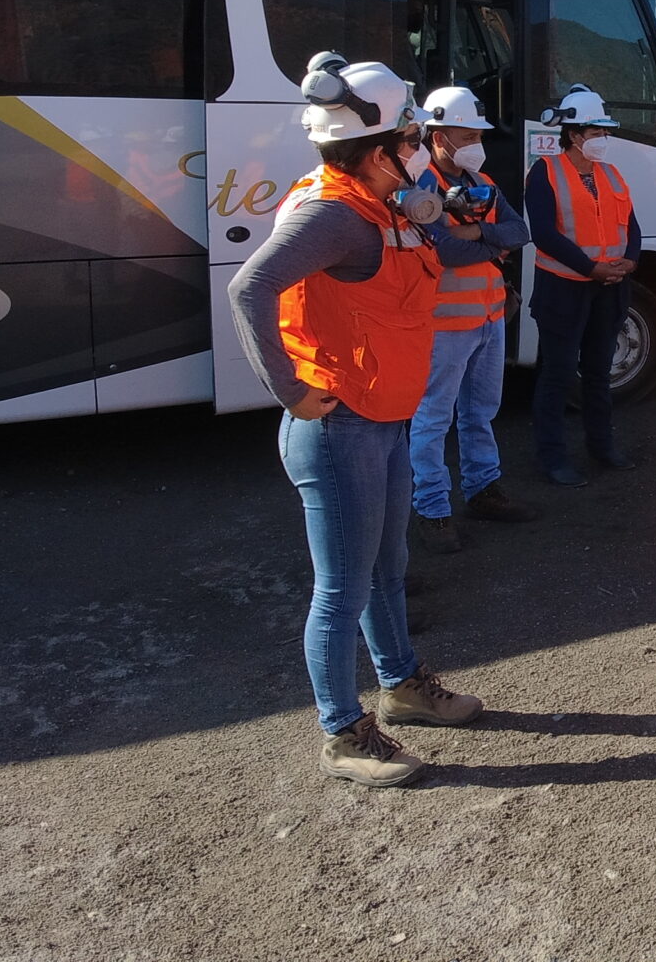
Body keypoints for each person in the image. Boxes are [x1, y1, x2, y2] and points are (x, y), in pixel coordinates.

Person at [225, 53, 485, 789]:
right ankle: (342, 734)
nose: (418, 149)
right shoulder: (334, 212)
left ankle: (402, 687)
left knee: (387, 570)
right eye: (408, 141)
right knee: (342, 589)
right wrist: (291, 393)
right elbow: (250, 290)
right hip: (339, 430)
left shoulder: (376, 203)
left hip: (381, 420)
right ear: (377, 153)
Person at [406, 85, 538, 552]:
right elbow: (446, 252)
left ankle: (483, 490)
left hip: (487, 318)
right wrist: (486, 241)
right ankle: (433, 510)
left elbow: (518, 231)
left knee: (480, 413)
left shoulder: (481, 184)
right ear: (437, 136)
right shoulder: (421, 189)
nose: (475, 144)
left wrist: (477, 229)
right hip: (443, 324)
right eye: (466, 136)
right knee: (432, 418)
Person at [524, 84, 640, 488]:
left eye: (605, 132)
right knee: (557, 374)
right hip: (564, 289)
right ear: (574, 135)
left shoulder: (611, 174)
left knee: (597, 373)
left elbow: (631, 225)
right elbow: (543, 234)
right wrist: (591, 268)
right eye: (597, 133)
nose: (604, 140)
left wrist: (631, 260)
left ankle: (602, 447)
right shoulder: (545, 172)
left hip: (608, 289)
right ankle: (553, 457)